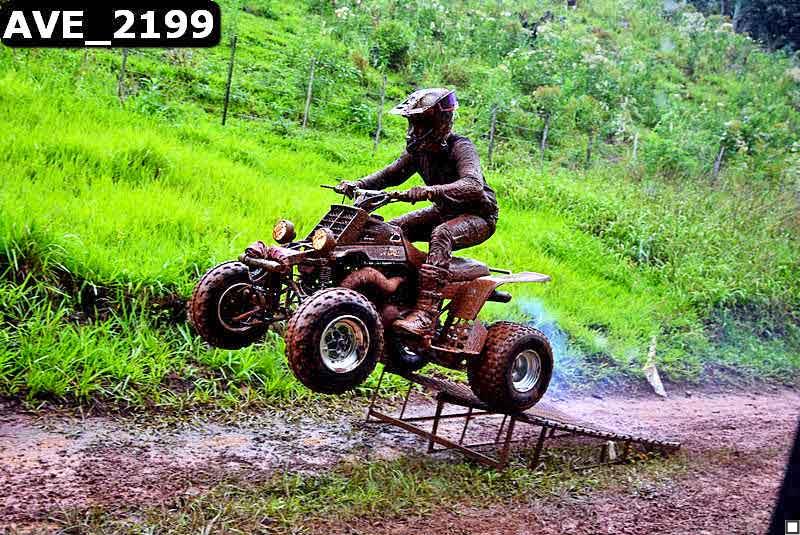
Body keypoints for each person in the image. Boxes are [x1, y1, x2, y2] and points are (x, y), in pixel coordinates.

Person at [336, 88, 498, 338]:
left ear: (440, 123)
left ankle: (425, 314)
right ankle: (393, 293)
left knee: (442, 234)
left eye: (420, 123)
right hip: (444, 210)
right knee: (390, 231)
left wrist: (429, 191)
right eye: (412, 123)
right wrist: (358, 184)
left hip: (479, 216)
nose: (413, 130)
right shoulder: (418, 150)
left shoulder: (460, 146)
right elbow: (390, 175)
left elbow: (472, 185)